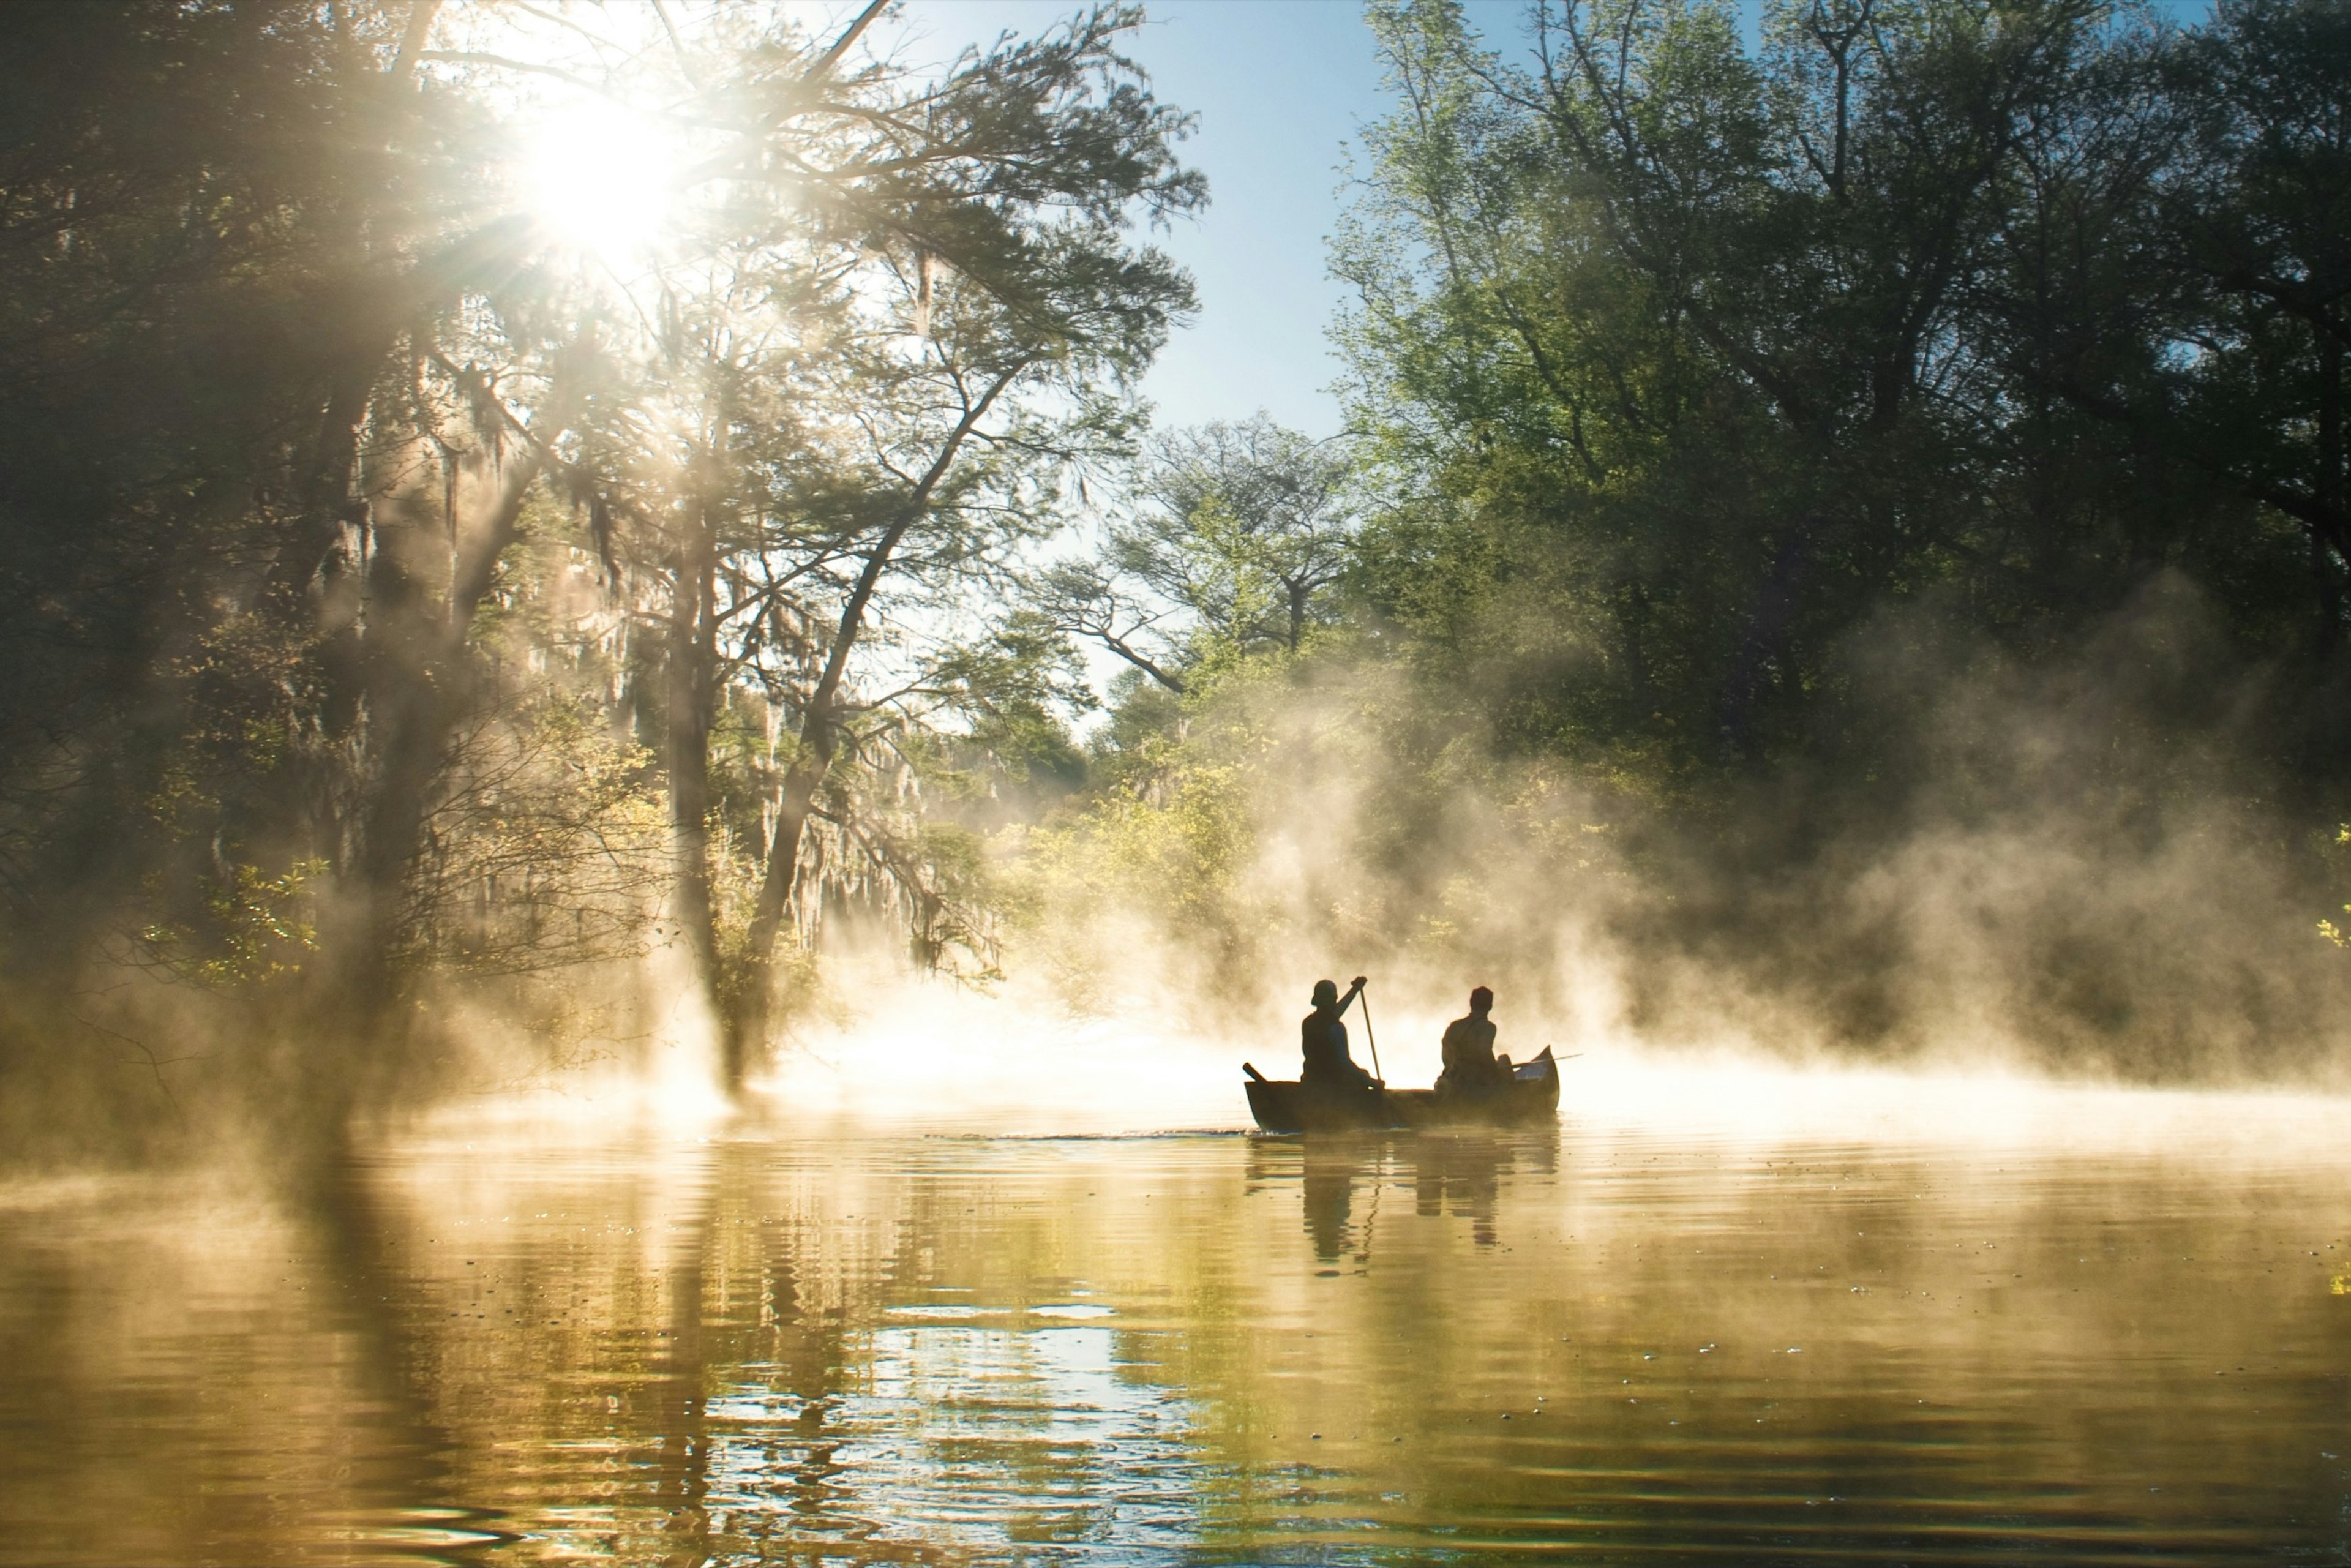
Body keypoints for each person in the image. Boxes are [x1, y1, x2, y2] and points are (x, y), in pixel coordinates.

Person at [1300, 975, 1376, 1090]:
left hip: (1311, 1076)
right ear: (1333, 1000)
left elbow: (1332, 1015)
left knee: (1362, 1074)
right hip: (1332, 1081)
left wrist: (1354, 990)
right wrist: (1371, 1082)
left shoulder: (1308, 1022)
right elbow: (1345, 1063)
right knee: (1362, 1076)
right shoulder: (1336, 1028)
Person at [1436, 985, 1512, 1096]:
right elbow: (1484, 1054)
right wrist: (1497, 1072)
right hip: (1475, 1083)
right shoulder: (1488, 1027)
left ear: (1471, 1003)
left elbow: (1446, 1057)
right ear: (1490, 1006)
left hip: (1451, 1079)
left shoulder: (1455, 1026)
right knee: (1504, 1059)